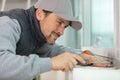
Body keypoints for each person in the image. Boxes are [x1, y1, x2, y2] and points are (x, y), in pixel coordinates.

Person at [0, 0, 111, 80]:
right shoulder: (9, 23)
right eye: (59, 22)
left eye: (65, 26)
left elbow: (55, 50)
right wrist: (52, 63)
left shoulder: (37, 35)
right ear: (40, 14)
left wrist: (84, 56)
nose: (61, 32)